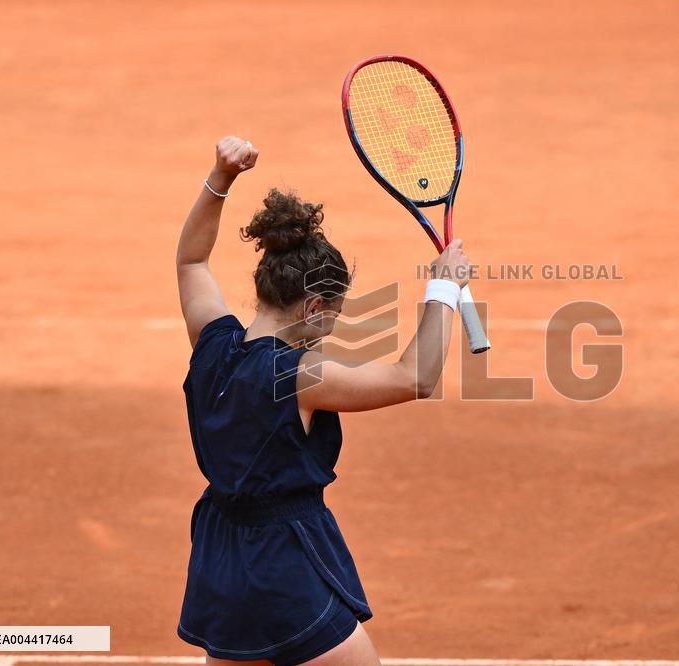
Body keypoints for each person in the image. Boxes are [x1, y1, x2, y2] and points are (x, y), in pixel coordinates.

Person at [174, 136, 471, 666]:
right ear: (314, 305)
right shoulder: (301, 376)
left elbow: (192, 261)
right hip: (281, 566)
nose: (331, 327)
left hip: (219, 558)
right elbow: (416, 378)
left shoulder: (212, 342)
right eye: (335, 313)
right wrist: (443, 290)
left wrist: (220, 178)